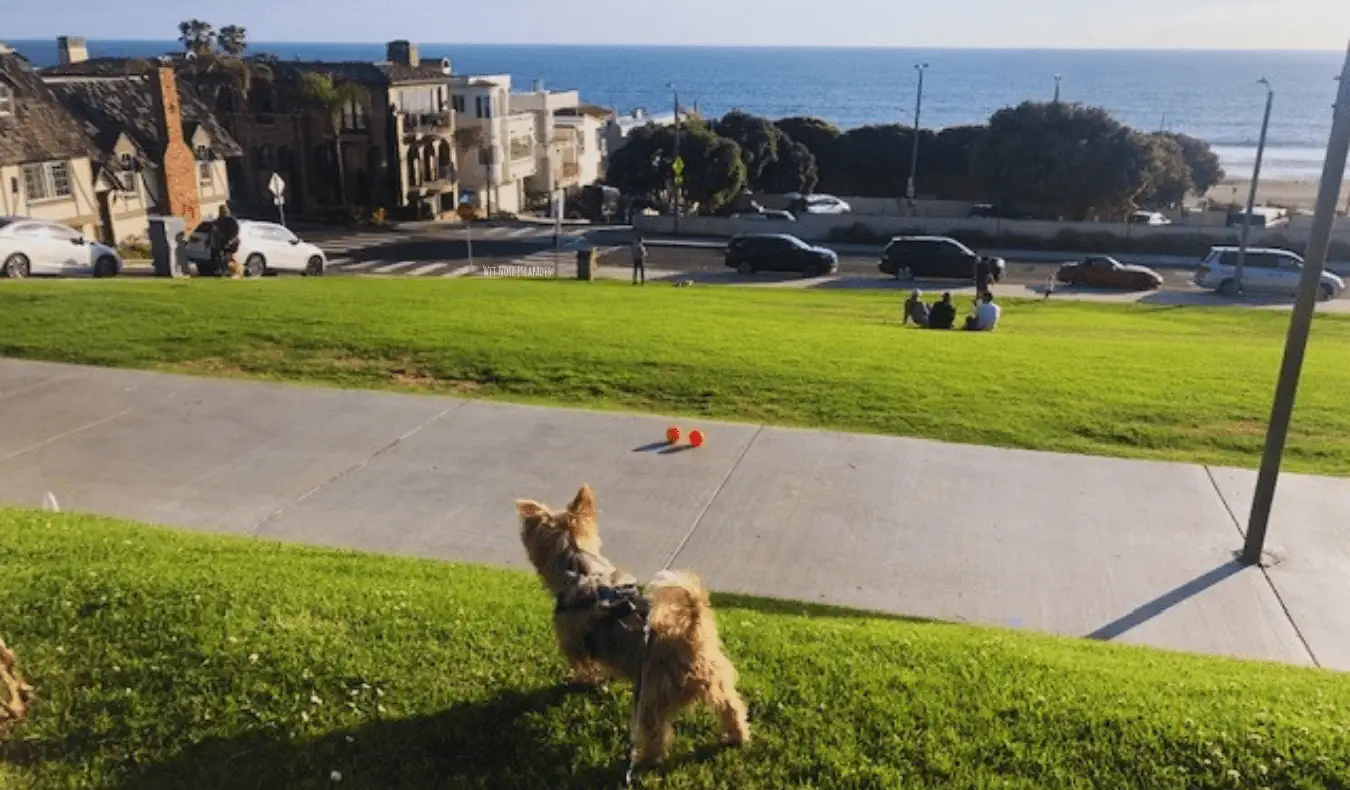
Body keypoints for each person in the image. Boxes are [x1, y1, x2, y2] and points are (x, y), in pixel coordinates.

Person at [210, 204, 240, 278]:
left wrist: (230, 241)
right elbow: (213, 228)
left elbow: (236, 232)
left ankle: (234, 270)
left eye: (223, 211)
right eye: (220, 211)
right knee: (219, 256)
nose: (222, 212)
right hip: (222, 242)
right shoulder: (219, 220)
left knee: (227, 257)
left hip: (232, 242)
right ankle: (223, 270)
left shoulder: (231, 221)